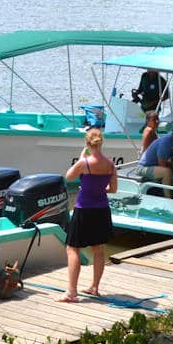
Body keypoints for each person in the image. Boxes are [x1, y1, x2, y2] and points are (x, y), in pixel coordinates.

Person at [60, 127, 117, 303]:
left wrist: (80, 158)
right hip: (101, 209)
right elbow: (113, 189)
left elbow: (68, 177)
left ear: (87, 143)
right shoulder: (110, 164)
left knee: (72, 248)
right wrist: (99, 188)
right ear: (101, 143)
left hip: (84, 208)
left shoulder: (84, 162)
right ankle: (94, 287)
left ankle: (71, 292)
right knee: (98, 249)